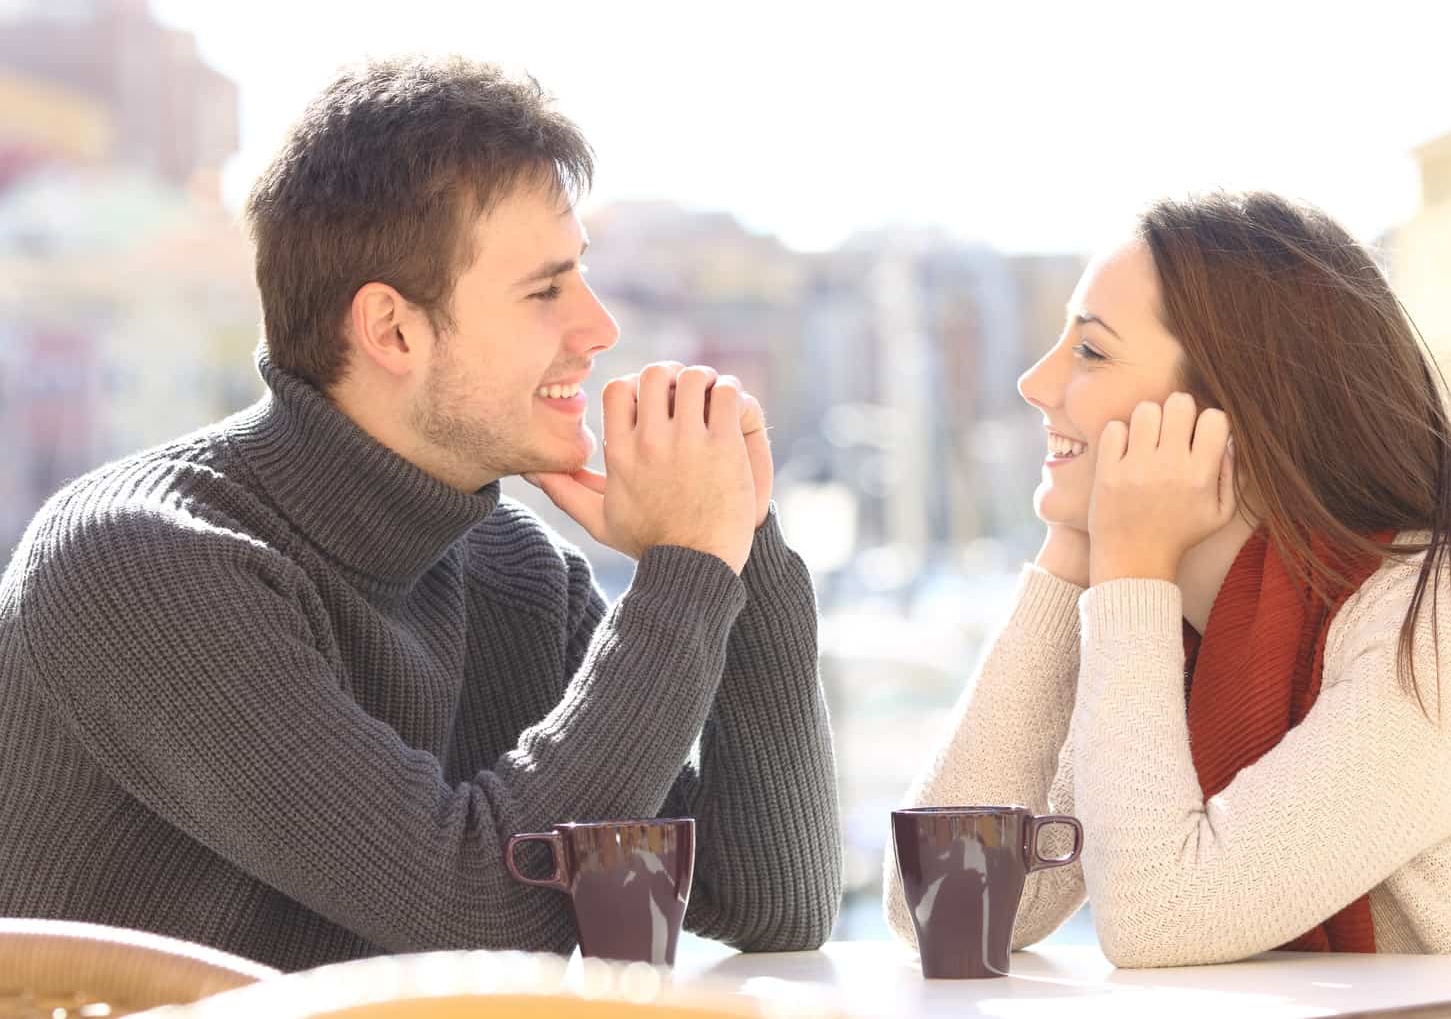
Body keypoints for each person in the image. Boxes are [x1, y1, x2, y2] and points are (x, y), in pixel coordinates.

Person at [0, 54, 841, 972]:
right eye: (545, 290)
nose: (599, 328)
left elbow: (765, 900)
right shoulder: (143, 563)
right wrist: (686, 570)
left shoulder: (512, 573)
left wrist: (740, 542)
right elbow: (476, 912)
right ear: (392, 330)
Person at [883, 189, 1451, 967]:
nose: (1035, 381)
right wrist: (1071, 560)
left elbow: (1160, 918)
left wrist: (1129, 572)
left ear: (1236, 408)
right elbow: (946, 909)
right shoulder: (1181, 631)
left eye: (1090, 350)